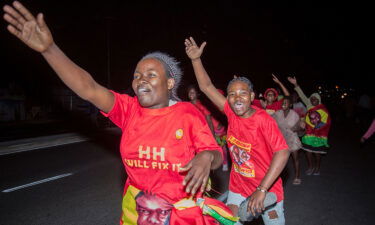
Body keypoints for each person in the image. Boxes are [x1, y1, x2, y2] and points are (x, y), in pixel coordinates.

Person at [3, 2, 229, 224]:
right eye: (137, 75)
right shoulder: (129, 110)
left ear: (170, 83)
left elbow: (216, 154)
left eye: (151, 75)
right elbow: (88, 88)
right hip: (137, 215)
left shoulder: (187, 113)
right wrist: (49, 50)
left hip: (181, 218)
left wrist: (207, 157)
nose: (141, 80)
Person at [185, 37, 290, 225]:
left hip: (267, 189)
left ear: (251, 96)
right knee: (230, 222)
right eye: (232, 94)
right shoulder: (230, 113)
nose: (237, 98)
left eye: (243, 93)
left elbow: (283, 152)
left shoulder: (262, 120)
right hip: (239, 186)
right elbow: (206, 87)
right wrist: (195, 59)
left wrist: (262, 189)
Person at [288, 76, 331, 176]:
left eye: (315, 99)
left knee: (317, 153)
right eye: (312, 99)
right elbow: (302, 95)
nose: (313, 100)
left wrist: (318, 127)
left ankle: (317, 167)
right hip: (308, 133)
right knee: (308, 152)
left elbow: (326, 121)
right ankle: (311, 166)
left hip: (319, 134)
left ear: (319, 100)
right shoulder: (309, 105)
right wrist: (295, 84)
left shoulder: (323, 109)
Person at [187, 85, 229, 171]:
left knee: (221, 147)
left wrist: (212, 136)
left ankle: (224, 163)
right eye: (189, 92)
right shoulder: (188, 105)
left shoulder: (203, 105)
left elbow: (210, 121)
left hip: (217, 129)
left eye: (193, 92)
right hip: (200, 132)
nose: (191, 94)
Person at [272, 97, 303, 185]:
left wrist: (300, 127)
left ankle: (297, 176)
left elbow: (300, 131)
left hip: (292, 139)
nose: (284, 104)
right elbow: (269, 122)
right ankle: (278, 177)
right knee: (279, 160)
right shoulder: (277, 113)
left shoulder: (295, 115)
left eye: (286, 103)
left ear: (290, 105)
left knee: (295, 159)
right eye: (283, 102)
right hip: (281, 139)